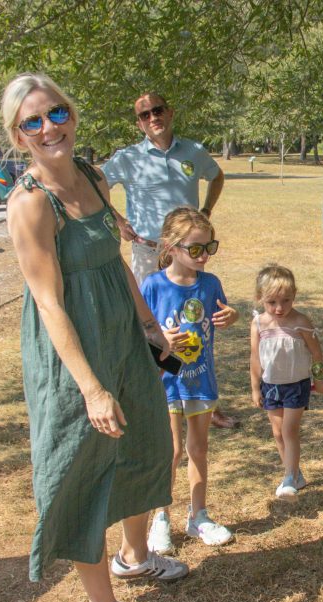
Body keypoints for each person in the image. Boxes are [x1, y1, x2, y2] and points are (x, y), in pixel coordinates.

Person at [2, 73, 188, 602]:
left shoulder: (94, 175)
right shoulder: (31, 205)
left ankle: (135, 557)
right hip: (73, 351)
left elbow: (117, 264)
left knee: (144, 443)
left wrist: (153, 332)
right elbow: (49, 301)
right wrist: (90, 388)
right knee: (80, 468)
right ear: (18, 136)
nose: (48, 127)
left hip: (123, 336)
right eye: (32, 121)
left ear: (71, 114)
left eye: (55, 112)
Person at [102, 92, 238, 430]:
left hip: (188, 254)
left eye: (157, 110)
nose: (153, 118)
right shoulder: (128, 157)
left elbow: (217, 176)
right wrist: (118, 220)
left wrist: (205, 212)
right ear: (139, 123)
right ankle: (161, 402)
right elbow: (95, 185)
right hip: (149, 251)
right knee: (152, 328)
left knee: (196, 326)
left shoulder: (192, 151)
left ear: (170, 112)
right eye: (144, 115)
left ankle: (203, 401)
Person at [140, 207, 238, 554]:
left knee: (198, 449)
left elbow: (224, 312)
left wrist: (233, 315)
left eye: (209, 248)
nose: (203, 256)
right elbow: (137, 334)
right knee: (172, 450)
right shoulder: (152, 285)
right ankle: (160, 519)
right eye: (195, 249)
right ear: (170, 246)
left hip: (201, 381)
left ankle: (199, 516)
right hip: (165, 382)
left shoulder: (210, 283)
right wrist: (160, 337)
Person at [249, 264, 323, 500]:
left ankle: (289, 478)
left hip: (297, 384)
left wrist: (319, 379)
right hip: (270, 385)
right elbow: (254, 357)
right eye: (272, 302)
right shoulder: (258, 324)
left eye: (286, 300)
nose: (279, 308)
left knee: (289, 429)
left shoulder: (301, 322)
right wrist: (255, 388)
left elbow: (317, 353)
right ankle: (294, 473)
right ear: (259, 298)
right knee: (277, 432)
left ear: (294, 296)